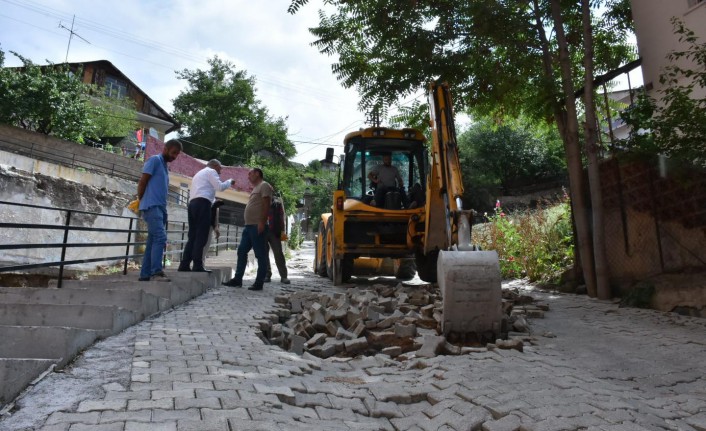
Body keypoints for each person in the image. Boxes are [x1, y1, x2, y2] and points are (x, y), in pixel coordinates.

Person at [136, 139, 183, 282]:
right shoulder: (154, 160)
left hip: (160, 208)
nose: (175, 156)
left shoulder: (164, 166)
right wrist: (141, 200)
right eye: (173, 153)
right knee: (161, 238)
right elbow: (143, 181)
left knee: (152, 241)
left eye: (177, 154)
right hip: (152, 206)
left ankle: (145, 274)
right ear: (166, 149)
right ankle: (156, 272)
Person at [178, 160, 234, 273]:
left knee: (192, 236)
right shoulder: (211, 171)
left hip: (192, 204)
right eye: (220, 168)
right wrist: (229, 181)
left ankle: (184, 264)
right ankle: (197, 265)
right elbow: (219, 187)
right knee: (201, 236)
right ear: (215, 166)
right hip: (203, 204)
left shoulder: (199, 174)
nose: (220, 172)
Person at [223, 168, 272, 291]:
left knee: (260, 255)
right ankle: (237, 279)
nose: (248, 176)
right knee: (241, 251)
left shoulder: (264, 185)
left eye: (250, 173)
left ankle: (259, 282)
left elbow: (267, 204)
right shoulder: (255, 188)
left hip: (257, 225)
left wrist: (262, 221)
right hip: (249, 226)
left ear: (257, 174)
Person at [264, 198, 290, 284]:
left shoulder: (277, 204)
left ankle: (284, 276)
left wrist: (283, 236)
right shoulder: (259, 201)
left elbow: (282, 219)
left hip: (274, 231)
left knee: (278, 253)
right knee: (264, 254)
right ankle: (267, 275)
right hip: (262, 230)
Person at [202, 199, 225, 265]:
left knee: (206, 245)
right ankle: (200, 263)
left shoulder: (214, 204)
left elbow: (215, 217)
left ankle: (201, 262)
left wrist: (216, 227)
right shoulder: (208, 201)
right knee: (204, 245)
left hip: (209, 226)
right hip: (204, 225)